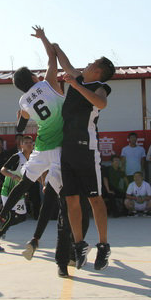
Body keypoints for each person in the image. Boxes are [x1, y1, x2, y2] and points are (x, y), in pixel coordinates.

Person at [0, 26, 64, 242]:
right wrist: (43, 38)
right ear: (33, 77)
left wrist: (21, 117)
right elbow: (52, 58)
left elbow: (20, 128)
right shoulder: (48, 84)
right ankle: (60, 234)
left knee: (24, 183)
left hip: (41, 147)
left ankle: (2, 216)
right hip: (59, 146)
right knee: (60, 193)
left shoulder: (23, 102)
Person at [53, 37, 115, 270]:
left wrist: (76, 85)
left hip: (86, 148)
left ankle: (103, 245)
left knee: (94, 198)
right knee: (71, 199)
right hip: (67, 147)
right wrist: (52, 44)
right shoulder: (78, 78)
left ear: (98, 70)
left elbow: (102, 104)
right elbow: (65, 63)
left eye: (92, 63)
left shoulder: (99, 87)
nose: (88, 64)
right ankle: (79, 244)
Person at [0, 136, 33, 252]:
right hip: (8, 191)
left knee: (22, 217)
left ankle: (3, 227)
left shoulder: (32, 158)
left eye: (31, 142)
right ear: (21, 145)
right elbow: (3, 170)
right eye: (26, 142)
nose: (29, 144)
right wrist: (13, 176)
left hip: (19, 192)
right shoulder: (17, 157)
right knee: (11, 216)